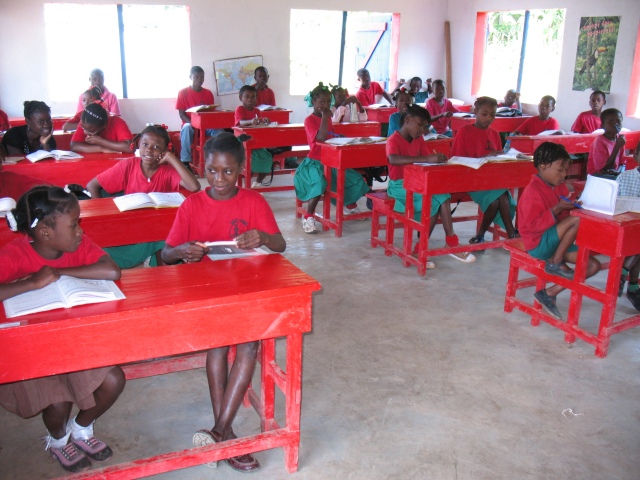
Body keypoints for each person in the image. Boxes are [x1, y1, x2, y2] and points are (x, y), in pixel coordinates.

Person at [161, 132, 285, 473]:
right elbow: (166, 254)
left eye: (228, 172)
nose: (219, 179)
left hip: (246, 289)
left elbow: (280, 245)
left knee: (248, 345)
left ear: (241, 169)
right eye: (212, 171)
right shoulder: (191, 205)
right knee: (217, 347)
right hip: (207, 293)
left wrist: (264, 236)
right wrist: (182, 251)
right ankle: (225, 434)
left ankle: (218, 432)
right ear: (203, 168)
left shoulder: (254, 202)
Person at [0, 186, 125, 473]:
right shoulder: (14, 255)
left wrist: (59, 273)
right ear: (45, 233)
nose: (80, 231)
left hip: (72, 341)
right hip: (27, 349)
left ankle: (81, 429)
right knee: (57, 402)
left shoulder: (77, 245)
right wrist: (32, 283)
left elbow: (112, 271)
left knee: (113, 380)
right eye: (74, 224)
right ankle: (58, 440)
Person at [86, 125, 200, 268]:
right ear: (139, 144)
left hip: (156, 226)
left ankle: (161, 271)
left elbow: (194, 187)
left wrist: (171, 158)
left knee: (166, 234)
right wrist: (103, 214)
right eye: (145, 144)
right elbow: (92, 185)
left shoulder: (167, 171)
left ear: (164, 151)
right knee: (101, 251)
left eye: (156, 147)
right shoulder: (128, 165)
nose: (149, 150)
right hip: (130, 224)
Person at [518, 142, 601, 319]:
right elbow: (532, 227)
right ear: (543, 166)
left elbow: (564, 219)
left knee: (593, 266)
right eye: (560, 170)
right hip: (538, 244)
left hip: (558, 242)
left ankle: (549, 293)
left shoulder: (559, 185)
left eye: (565, 170)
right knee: (577, 220)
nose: (564, 175)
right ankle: (555, 261)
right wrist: (557, 209)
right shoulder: (533, 191)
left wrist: (573, 206)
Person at [387, 105, 475, 266]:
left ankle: (433, 245)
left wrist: (437, 160)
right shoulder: (394, 139)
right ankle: (442, 245)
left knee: (440, 197)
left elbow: (427, 160)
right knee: (435, 199)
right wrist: (427, 159)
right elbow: (393, 159)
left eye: (425, 126)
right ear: (407, 120)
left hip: (417, 183)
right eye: (420, 125)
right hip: (399, 186)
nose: (422, 130)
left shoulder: (419, 139)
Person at [294, 83, 369, 234]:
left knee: (353, 178)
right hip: (314, 162)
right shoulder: (310, 120)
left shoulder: (327, 118)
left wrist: (337, 136)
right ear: (313, 102)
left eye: (328, 102)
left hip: (330, 160)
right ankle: (309, 216)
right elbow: (320, 138)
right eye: (321, 102)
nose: (325, 105)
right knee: (319, 183)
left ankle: (349, 205)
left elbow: (328, 135)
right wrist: (324, 116)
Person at [451, 96, 518, 244]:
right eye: (484, 114)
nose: (489, 118)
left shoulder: (494, 133)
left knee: (497, 198)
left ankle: (480, 236)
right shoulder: (464, 131)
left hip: (490, 179)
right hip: (470, 178)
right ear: (476, 112)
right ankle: (511, 232)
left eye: (493, 115)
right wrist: (485, 157)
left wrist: (503, 158)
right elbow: (457, 160)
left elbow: (497, 160)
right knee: (500, 195)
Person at [176, 66, 220, 168]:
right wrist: (194, 124)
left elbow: (210, 112)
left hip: (205, 126)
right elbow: (181, 114)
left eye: (202, 77)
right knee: (186, 128)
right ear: (190, 77)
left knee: (220, 131)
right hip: (190, 124)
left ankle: (217, 159)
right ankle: (185, 162)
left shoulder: (208, 93)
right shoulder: (183, 93)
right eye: (196, 77)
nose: (199, 80)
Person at [234, 85, 273, 187]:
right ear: (240, 98)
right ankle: (246, 185)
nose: (250, 99)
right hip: (243, 144)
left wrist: (264, 121)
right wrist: (251, 121)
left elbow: (259, 124)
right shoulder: (239, 109)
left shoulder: (257, 111)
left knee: (268, 159)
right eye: (247, 96)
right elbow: (240, 122)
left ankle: (257, 183)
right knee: (251, 161)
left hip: (256, 143)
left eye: (253, 97)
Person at [617, 149, 640, 311]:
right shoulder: (624, 177)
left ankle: (622, 273)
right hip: (622, 230)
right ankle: (632, 287)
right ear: (636, 156)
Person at [587, 108, 626, 176]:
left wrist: (618, 173)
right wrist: (617, 147)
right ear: (602, 126)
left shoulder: (619, 139)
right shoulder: (599, 141)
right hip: (597, 176)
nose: (615, 125)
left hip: (613, 174)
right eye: (611, 122)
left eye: (618, 121)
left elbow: (622, 163)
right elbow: (604, 169)